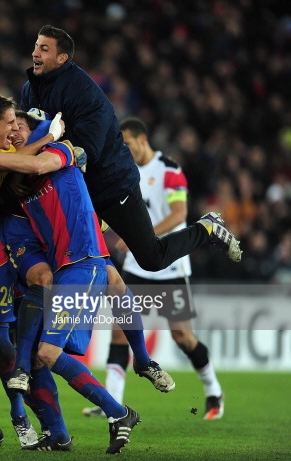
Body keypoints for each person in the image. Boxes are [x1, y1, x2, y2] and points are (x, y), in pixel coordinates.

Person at [0, 24, 242, 272]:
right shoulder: (29, 89)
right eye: (36, 46)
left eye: (44, 49)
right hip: (72, 185)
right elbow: (10, 122)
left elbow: (87, 152)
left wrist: (42, 160)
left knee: (151, 258)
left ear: (62, 58)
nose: (35, 53)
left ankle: (206, 228)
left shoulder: (85, 94)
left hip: (111, 186)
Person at [0, 114, 141, 455]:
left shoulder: (48, 153)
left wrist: (60, 141)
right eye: (9, 125)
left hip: (49, 264)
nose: (13, 131)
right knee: (10, 348)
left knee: (30, 350)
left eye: (19, 126)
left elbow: (48, 162)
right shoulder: (3, 160)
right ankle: (52, 432)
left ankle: (101, 410)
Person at [83, 117, 224, 420]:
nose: (126, 150)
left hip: (170, 268)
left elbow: (179, 215)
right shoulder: (124, 172)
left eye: (129, 144)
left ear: (142, 140)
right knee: (120, 334)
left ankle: (213, 389)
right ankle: (112, 403)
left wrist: (141, 239)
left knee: (182, 338)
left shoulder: (169, 170)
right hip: (136, 266)